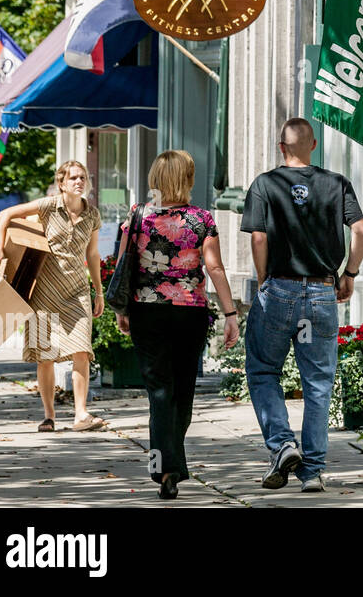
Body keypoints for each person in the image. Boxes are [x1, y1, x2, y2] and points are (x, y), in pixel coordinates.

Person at [241, 118, 363, 492]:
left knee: (264, 371)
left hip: (280, 289)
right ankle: (312, 471)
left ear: (282, 147)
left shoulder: (266, 184)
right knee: (317, 383)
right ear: (313, 146)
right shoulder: (337, 183)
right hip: (321, 292)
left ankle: (281, 445)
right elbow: (360, 230)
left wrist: (264, 281)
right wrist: (350, 274)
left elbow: (259, 238)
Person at [115, 150, 240, 500]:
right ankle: (172, 464)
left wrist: (121, 310)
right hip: (189, 313)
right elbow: (214, 268)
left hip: (146, 311)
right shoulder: (201, 219)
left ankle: (164, 466)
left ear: (156, 178)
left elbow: (125, 264)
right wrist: (230, 315)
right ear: (188, 179)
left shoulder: (137, 216)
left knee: (158, 391)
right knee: (183, 389)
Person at [0, 161, 106, 433]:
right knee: (46, 356)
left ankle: (80, 414)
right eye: (73, 178)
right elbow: (5, 214)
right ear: (62, 182)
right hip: (44, 291)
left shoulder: (92, 215)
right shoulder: (48, 206)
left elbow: (92, 254)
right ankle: (49, 415)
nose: (79, 182)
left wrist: (98, 291)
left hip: (77, 292)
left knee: (81, 352)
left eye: (83, 177)